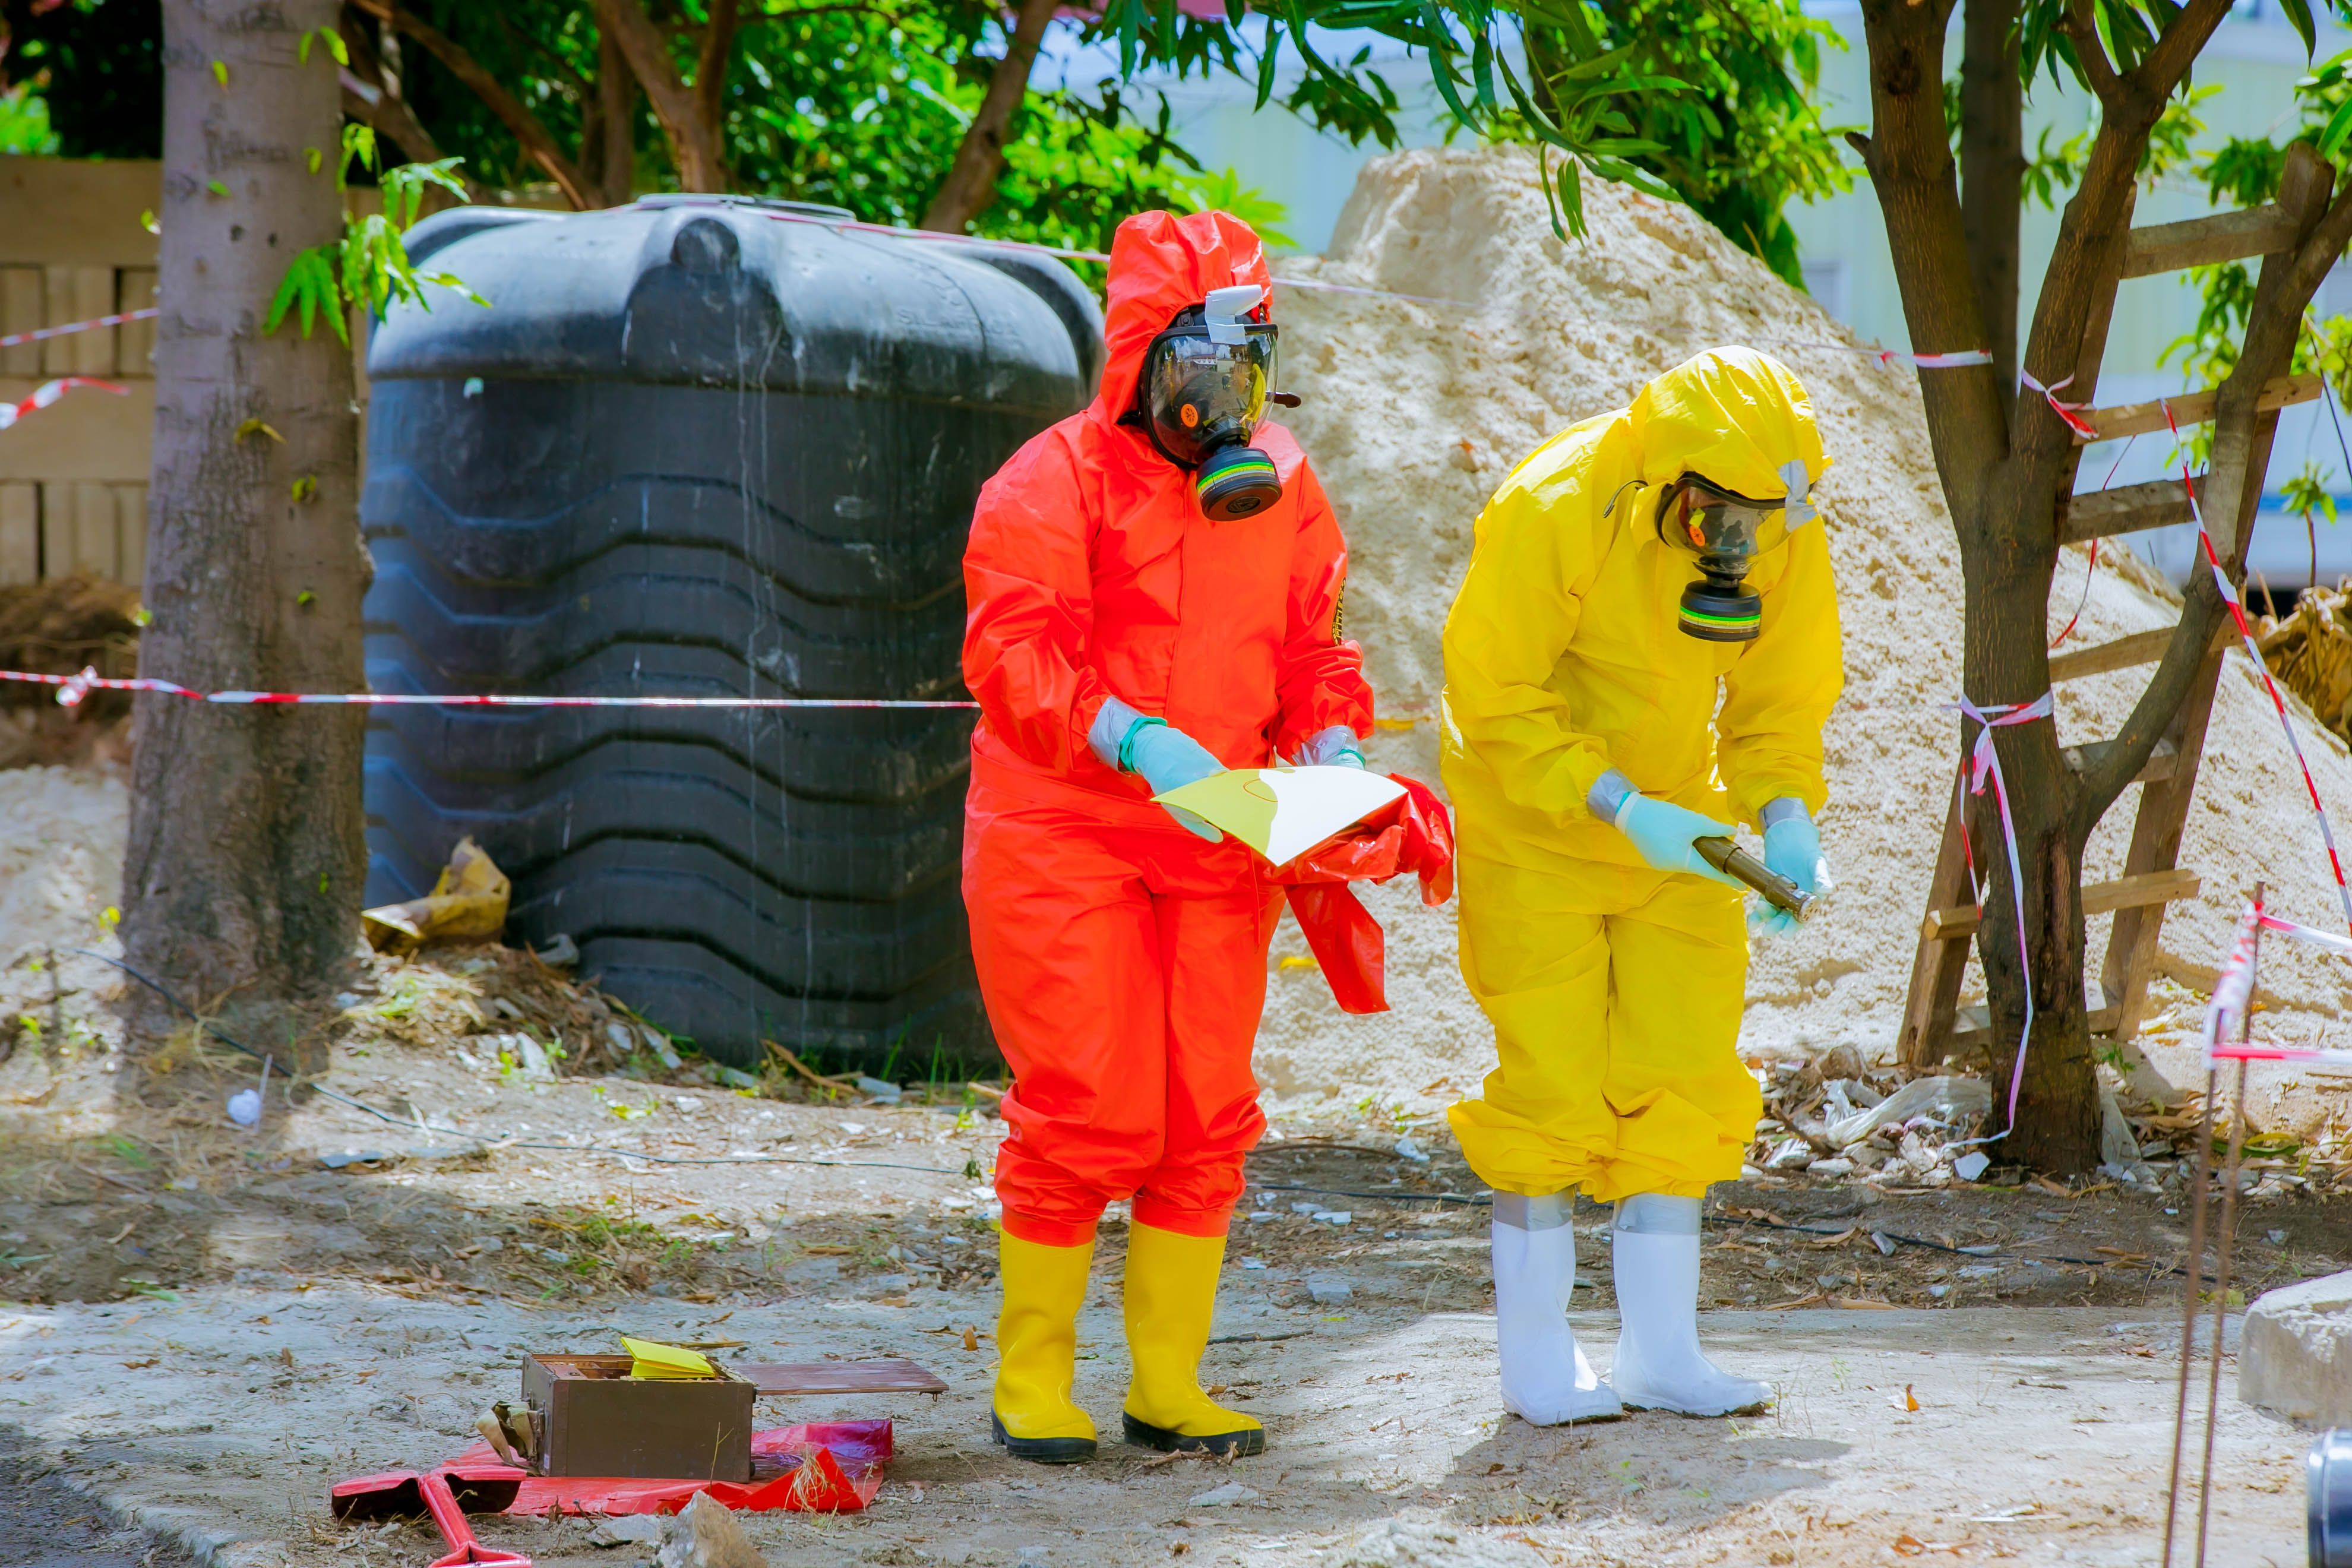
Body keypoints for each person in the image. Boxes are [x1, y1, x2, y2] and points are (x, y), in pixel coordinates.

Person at [960, 209, 1374, 1464]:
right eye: (1201, 365)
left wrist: (1334, 740)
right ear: (1142, 356)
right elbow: (1012, 654)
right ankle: (1034, 1383)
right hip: (1062, 827)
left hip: (1216, 832)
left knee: (1205, 1116)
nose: (1226, 397)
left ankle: (1167, 1387)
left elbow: (1314, 647)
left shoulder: (1285, 488)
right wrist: (1130, 737)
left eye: (1247, 364)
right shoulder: (1052, 480)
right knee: (1090, 1105)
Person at [1439, 347, 1841, 1425]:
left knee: (1686, 1077)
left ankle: (1663, 1355)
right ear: (1669, 480)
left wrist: (1787, 811)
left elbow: (1780, 689)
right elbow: (1496, 695)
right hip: (1538, 827)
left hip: (1683, 831)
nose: (1735, 545)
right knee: (1552, 1088)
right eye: (1715, 517)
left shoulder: (1774, 520)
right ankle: (1538, 1360)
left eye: (1756, 522)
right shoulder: (1558, 503)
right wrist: (1619, 807)